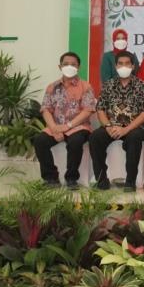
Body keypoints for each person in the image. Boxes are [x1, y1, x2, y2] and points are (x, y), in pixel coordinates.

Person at [33, 52, 97, 189]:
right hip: (56, 126)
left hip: (78, 126)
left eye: (73, 64)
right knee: (39, 141)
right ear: (60, 66)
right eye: (66, 64)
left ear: (78, 67)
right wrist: (54, 128)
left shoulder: (86, 87)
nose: (69, 66)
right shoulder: (52, 87)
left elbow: (87, 111)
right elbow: (45, 109)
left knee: (75, 141)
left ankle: (71, 179)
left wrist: (68, 126)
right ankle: (51, 178)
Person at [89, 52, 144, 191]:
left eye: (127, 63)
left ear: (133, 66)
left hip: (134, 127)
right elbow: (100, 109)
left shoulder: (142, 86)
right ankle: (101, 180)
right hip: (112, 126)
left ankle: (130, 182)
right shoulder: (108, 85)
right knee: (95, 137)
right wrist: (108, 126)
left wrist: (126, 129)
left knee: (134, 138)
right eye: (120, 64)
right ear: (116, 66)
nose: (124, 66)